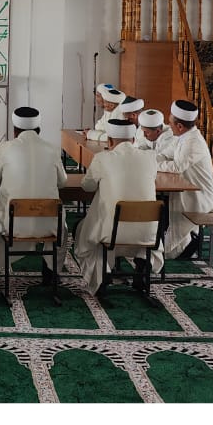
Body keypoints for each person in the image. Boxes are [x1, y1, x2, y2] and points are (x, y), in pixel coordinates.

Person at [0, 106, 67, 289]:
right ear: (38, 129)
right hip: (48, 223)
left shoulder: (6, 148)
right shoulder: (52, 149)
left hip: (12, 223)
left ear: (15, 130)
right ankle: (51, 272)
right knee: (63, 228)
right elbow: (63, 182)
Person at [74, 118, 159, 294]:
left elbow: (87, 186)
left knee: (85, 229)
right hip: (147, 233)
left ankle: (102, 274)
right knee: (137, 225)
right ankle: (142, 269)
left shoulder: (102, 158)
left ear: (110, 141)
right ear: (133, 140)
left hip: (111, 232)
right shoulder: (150, 158)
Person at [155, 99, 213, 267]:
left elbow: (177, 167)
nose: (169, 125)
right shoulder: (182, 137)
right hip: (186, 189)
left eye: (170, 123)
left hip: (199, 195)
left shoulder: (193, 142)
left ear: (180, 126)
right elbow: (164, 154)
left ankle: (189, 243)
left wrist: (152, 165)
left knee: (168, 251)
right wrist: (150, 159)